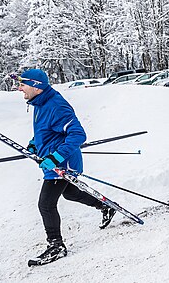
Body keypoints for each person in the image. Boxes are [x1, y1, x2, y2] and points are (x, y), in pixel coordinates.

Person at [15, 69, 116, 266]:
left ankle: (56, 246)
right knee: (70, 193)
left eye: (22, 84)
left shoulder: (56, 105)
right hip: (52, 161)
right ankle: (105, 206)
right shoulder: (40, 103)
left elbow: (78, 135)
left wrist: (55, 157)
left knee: (45, 204)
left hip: (62, 163)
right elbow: (45, 131)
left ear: (36, 86)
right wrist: (35, 143)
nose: (19, 89)